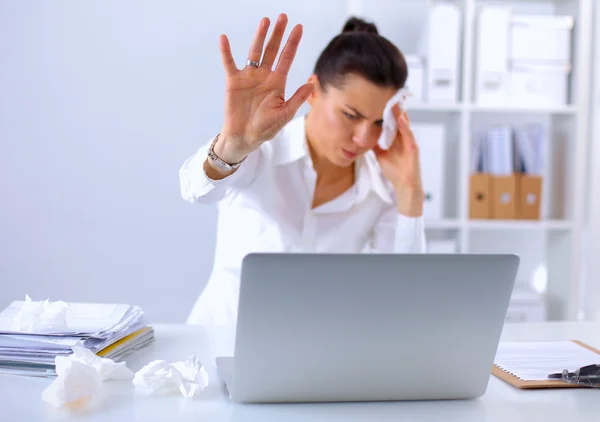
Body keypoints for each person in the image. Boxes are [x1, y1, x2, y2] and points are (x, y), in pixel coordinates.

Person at [179, 13, 427, 326]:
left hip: (315, 357)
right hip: (221, 341)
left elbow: (401, 295)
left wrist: (410, 191)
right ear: (312, 91)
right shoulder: (262, 149)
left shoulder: (384, 184)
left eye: (378, 122)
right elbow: (194, 190)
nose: (364, 138)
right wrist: (232, 146)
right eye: (351, 115)